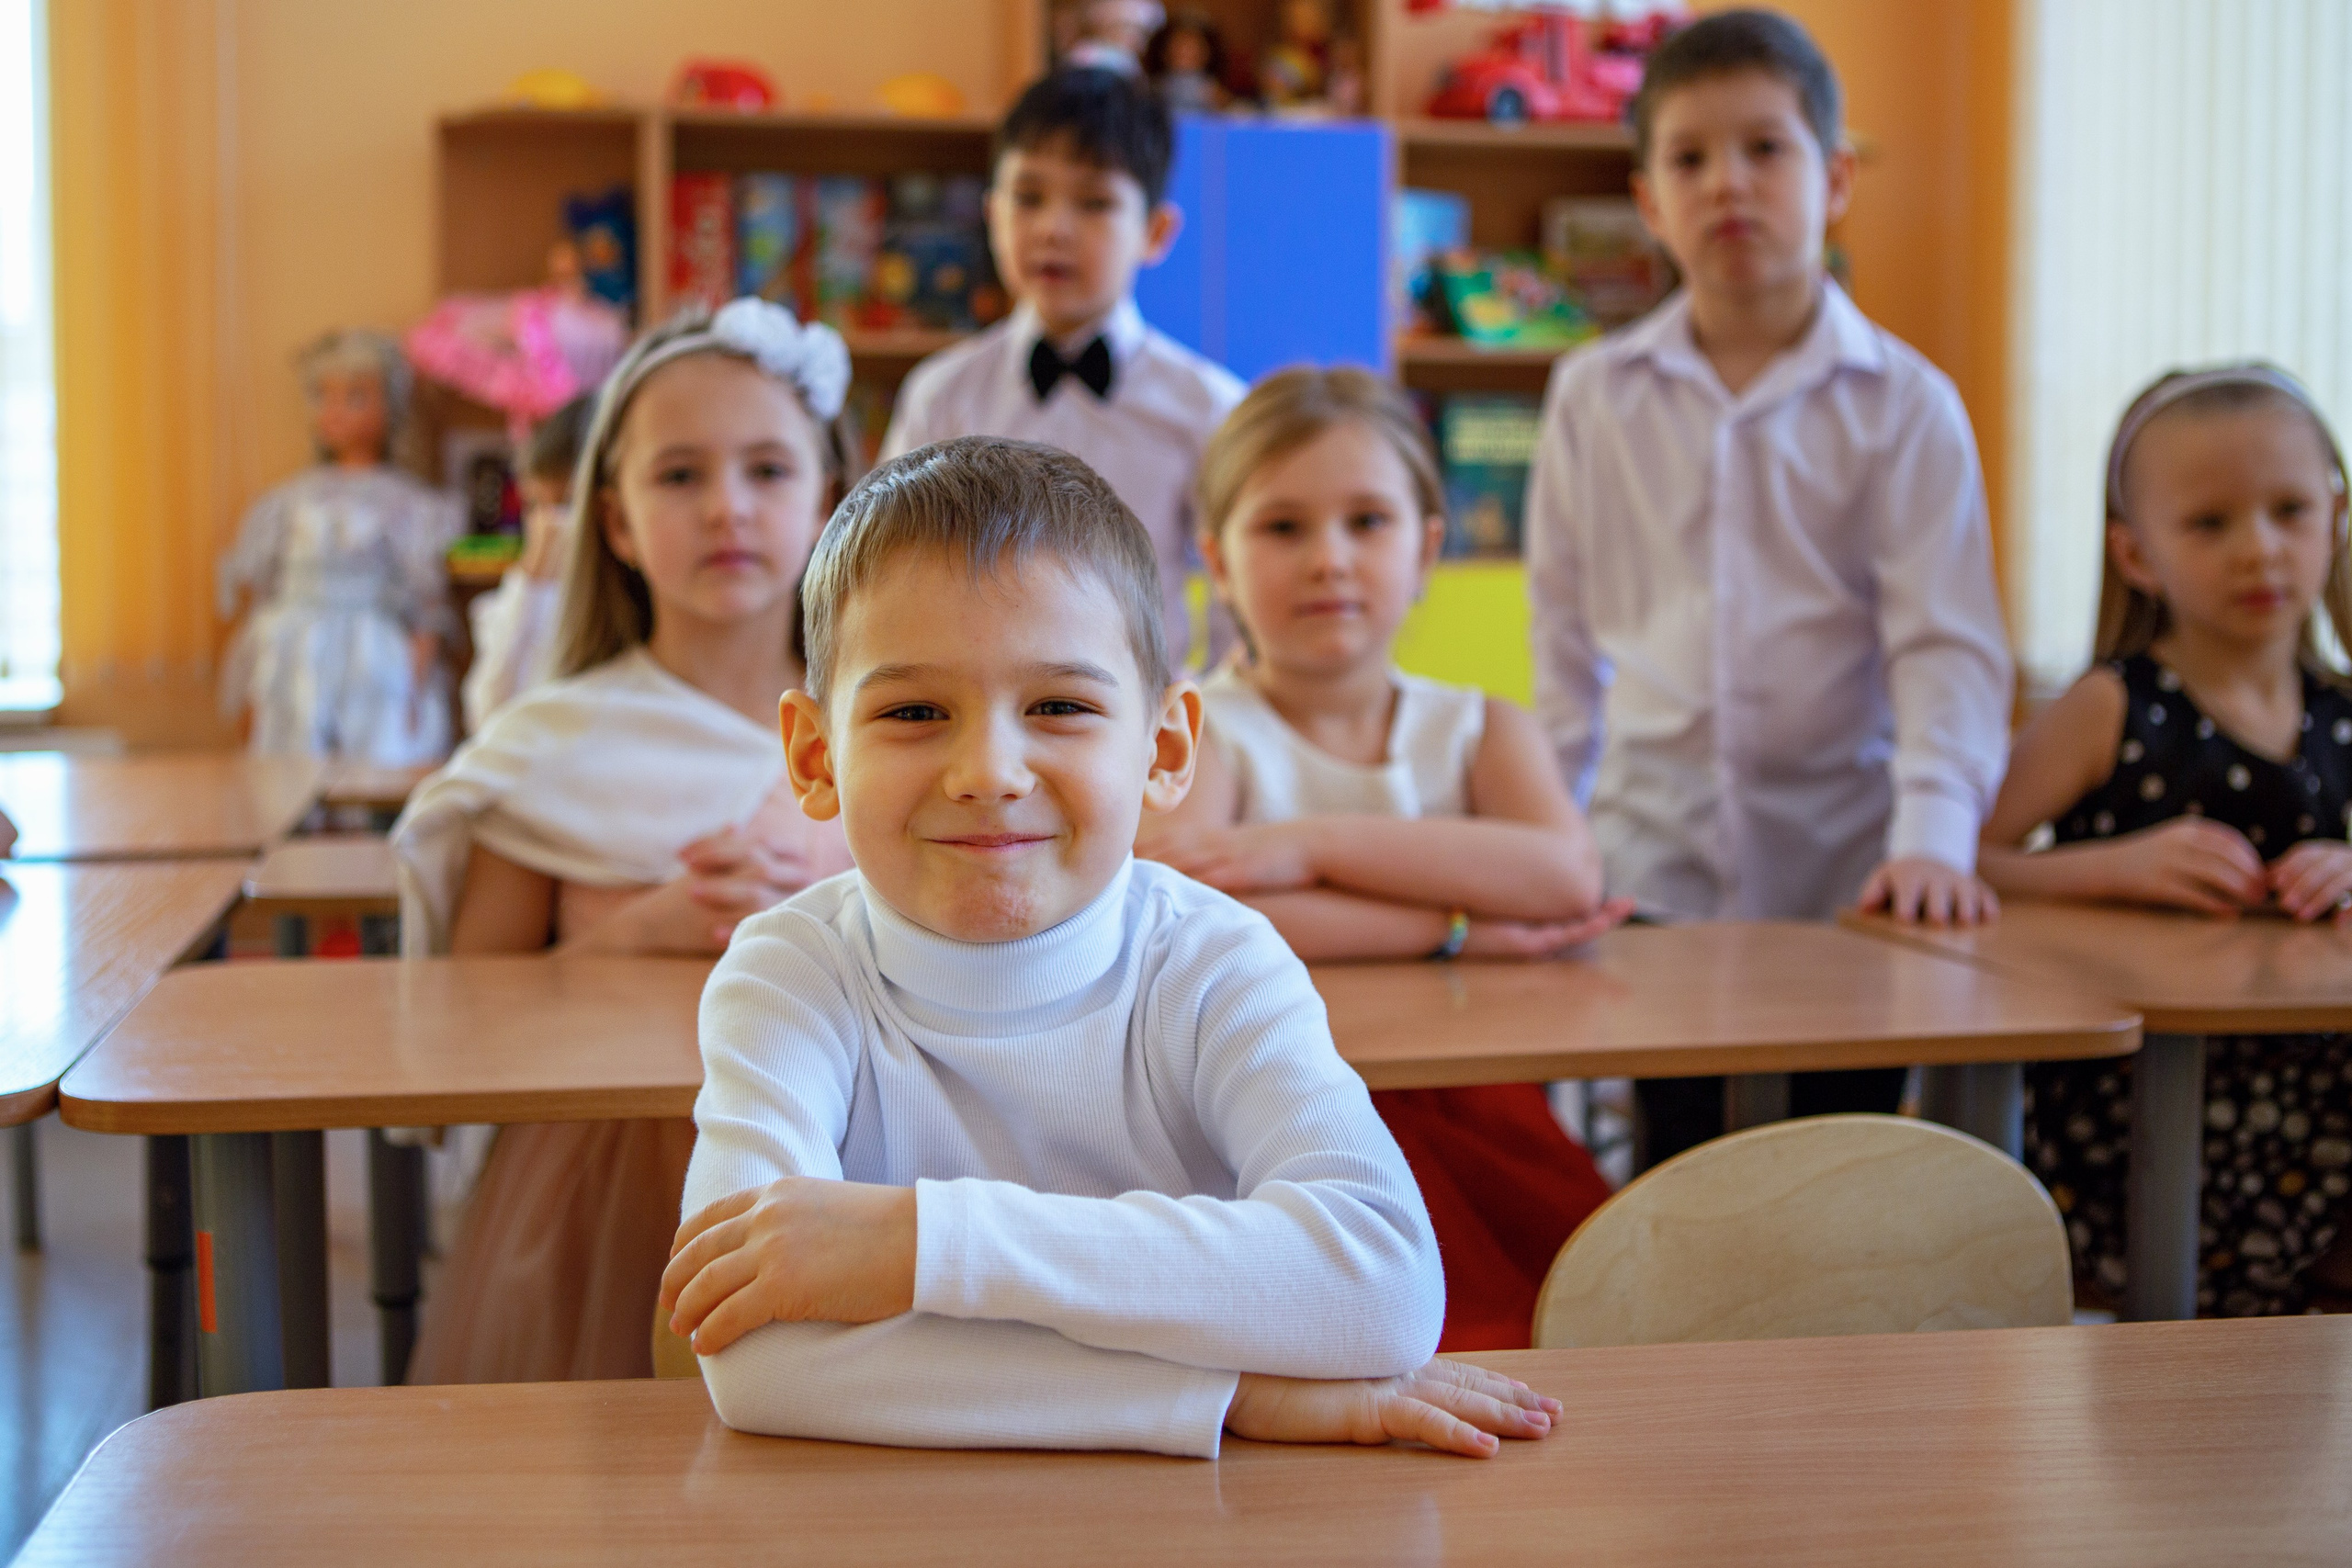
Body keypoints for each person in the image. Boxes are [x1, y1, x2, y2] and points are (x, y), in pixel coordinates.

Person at [661, 436, 1560, 1460]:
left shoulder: (1216, 960)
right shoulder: (787, 975)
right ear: (815, 758)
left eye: (1060, 707)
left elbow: (1383, 1284)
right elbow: (759, 1362)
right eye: (914, 711)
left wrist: (923, 1246)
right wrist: (1223, 1395)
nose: (989, 772)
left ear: (1164, 750)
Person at [1524, 9, 2013, 1166]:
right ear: (1646, 200)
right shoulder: (1592, 395)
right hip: (1650, 875)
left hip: (1850, 884)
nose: (1727, 186)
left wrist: (1936, 837)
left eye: (1765, 149)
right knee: (1681, 1179)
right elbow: (1563, 645)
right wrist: (1550, 843)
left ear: (1835, 177)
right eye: (1688, 158)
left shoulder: (1905, 403)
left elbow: (1943, 645)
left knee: (1833, 1181)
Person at [389, 299, 863, 1382]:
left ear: (827, 499)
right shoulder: (551, 745)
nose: (727, 509)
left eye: (768, 471)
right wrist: (642, 930)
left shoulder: (896, 731)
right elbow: (459, 1012)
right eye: (679, 475)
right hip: (600, 1192)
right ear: (613, 520)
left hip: (852, 1169)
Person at [1136, 367, 1629, 1348]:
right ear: (1216, 563)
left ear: (1425, 549)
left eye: (1367, 521)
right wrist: (1453, 929)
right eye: (1282, 528)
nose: (1328, 559)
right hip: (1279, 1119)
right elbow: (1184, 907)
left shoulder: (1481, 726)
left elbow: (1563, 877)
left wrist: (1305, 845)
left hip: (1476, 1108)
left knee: (1569, 1312)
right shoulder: (1200, 729)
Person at [1978, 364, 2352, 1316]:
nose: (2259, 551)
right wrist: (2114, 866)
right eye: (2209, 523)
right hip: (2137, 1121)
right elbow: (1968, 861)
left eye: (2288, 511)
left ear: (2334, 516)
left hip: (2316, 1126)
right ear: (2135, 555)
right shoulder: (2109, 706)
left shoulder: (2340, 710)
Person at [880, 67, 1244, 670]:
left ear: (1155, 233)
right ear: (993, 215)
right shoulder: (941, 394)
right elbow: (891, 564)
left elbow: (1243, 594)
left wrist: (1208, 721)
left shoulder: (1210, 407)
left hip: (1145, 727)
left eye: (1095, 202)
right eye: (1028, 198)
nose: (1054, 228)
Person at [217, 330, 462, 764]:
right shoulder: (287, 501)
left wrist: (414, 690)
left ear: (390, 408)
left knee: (374, 753)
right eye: (322, 397)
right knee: (287, 763)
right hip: (295, 655)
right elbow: (263, 596)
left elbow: (426, 609)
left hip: (371, 657)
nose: (334, 412)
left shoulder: (407, 504)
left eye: (355, 397)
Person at [459, 394, 594, 732]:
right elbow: (487, 714)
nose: (549, 525)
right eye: (535, 506)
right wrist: (530, 587)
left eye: (567, 504)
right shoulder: (524, 594)